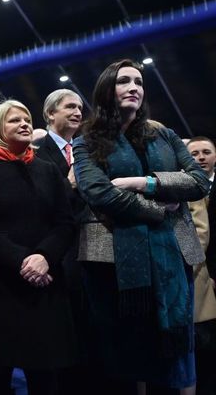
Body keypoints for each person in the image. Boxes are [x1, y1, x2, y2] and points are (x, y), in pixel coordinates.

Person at [73, 59, 209, 394]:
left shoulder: (164, 134)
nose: (134, 87)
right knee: (125, 356)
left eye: (139, 82)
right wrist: (160, 209)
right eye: (124, 81)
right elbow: (99, 193)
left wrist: (142, 183)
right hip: (113, 261)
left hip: (173, 256)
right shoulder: (86, 140)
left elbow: (199, 182)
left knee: (172, 358)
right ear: (107, 88)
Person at [0, 99, 78, 394]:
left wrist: (45, 258)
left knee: (45, 380)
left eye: (26, 118)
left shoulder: (48, 170)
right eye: (14, 120)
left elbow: (65, 223)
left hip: (44, 286)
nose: (24, 123)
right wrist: (25, 261)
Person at [36, 89, 93, 393]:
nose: (77, 112)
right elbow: (38, 206)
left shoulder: (86, 150)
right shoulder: (35, 151)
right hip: (56, 258)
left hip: (90, 256)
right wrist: (69, 184)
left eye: (80, 108)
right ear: (50, 114)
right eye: (70, 106)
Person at [186, 136, 216, 395]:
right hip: (198, 277)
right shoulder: (186, 186)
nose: (201, 157)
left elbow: (201, 234)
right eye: (194, 153)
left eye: (206, 152)